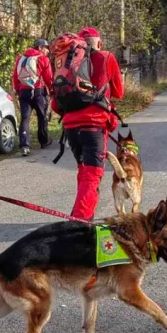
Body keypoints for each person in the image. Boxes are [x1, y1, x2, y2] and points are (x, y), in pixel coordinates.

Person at [53, 27, 124, 221]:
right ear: (99, 43)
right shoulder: (106, 57)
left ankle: (79, 212)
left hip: (71, 127)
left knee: (84, 171)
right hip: (94, 125)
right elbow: (119, 92)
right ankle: (80, 224)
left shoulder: (67, 61)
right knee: (92, 176)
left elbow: (55, 103)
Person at [12, 38, 54, 157]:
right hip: (38, 91)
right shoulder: (43, 59)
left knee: (25, 118)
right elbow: (48, 77)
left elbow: (15, 75)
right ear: (40, 48)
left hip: (24, 91)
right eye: (46, 48)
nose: (48, 51)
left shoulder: (21, 58)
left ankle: (24, 146)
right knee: (42, 116)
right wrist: (51, 89)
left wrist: (17, 89)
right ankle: (44, 141)